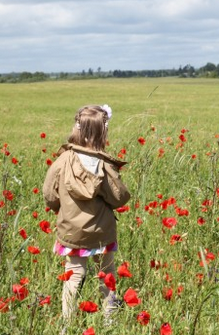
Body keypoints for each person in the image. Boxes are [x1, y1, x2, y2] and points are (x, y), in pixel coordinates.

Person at [43, 104, 130, 322]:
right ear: (103, 131)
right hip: (102, 231)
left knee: (73, 274)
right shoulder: (104, 165)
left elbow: (49, 195)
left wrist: (62, 210)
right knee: (106, 273)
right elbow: (119, 198)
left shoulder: (63, 161)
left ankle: (67, 323)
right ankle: (110, 318)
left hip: (72, 231)